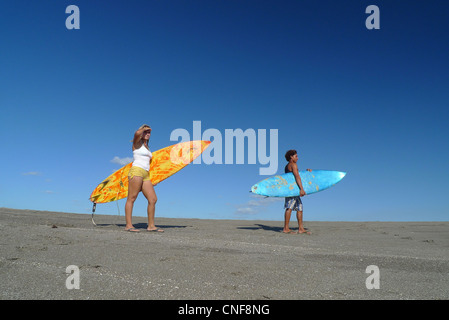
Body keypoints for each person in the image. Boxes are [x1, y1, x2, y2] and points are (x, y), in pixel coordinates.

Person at [124, 124, 163, 233]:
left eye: (149, 132)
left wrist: (152, 179)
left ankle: (151, 226)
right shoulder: (137, 143)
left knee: (153, 199)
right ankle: (128, 225)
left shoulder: (147, 147)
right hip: (136, 171)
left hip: (146, 174)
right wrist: (144, 128)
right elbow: (136, 133)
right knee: (132, 198)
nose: (147, 134)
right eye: (145, 132)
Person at [283, 149, 311, 235]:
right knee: (289, 207)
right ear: (291, 157)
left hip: (294, 189)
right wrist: (302, 189)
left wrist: (306, 172)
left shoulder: (287, 166)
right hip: (292, 190)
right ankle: (286, 228)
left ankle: (301, 228)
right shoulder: (293, 164)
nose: (298, 158)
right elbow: (297, 176)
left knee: (300, 208)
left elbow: (297, 175)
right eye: (296, 156)